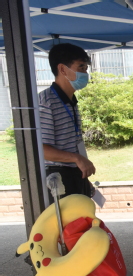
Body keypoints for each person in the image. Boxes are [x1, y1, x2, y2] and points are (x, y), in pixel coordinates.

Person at [40, 43, 95, 199]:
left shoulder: (70, 100)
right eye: (81, 67)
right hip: (57, 178)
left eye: (86, 68)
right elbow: (41, 150)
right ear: (63, 69)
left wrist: (82, 176)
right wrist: (76, 159)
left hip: (75, 173)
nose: (85, 73)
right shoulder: (46, 102)